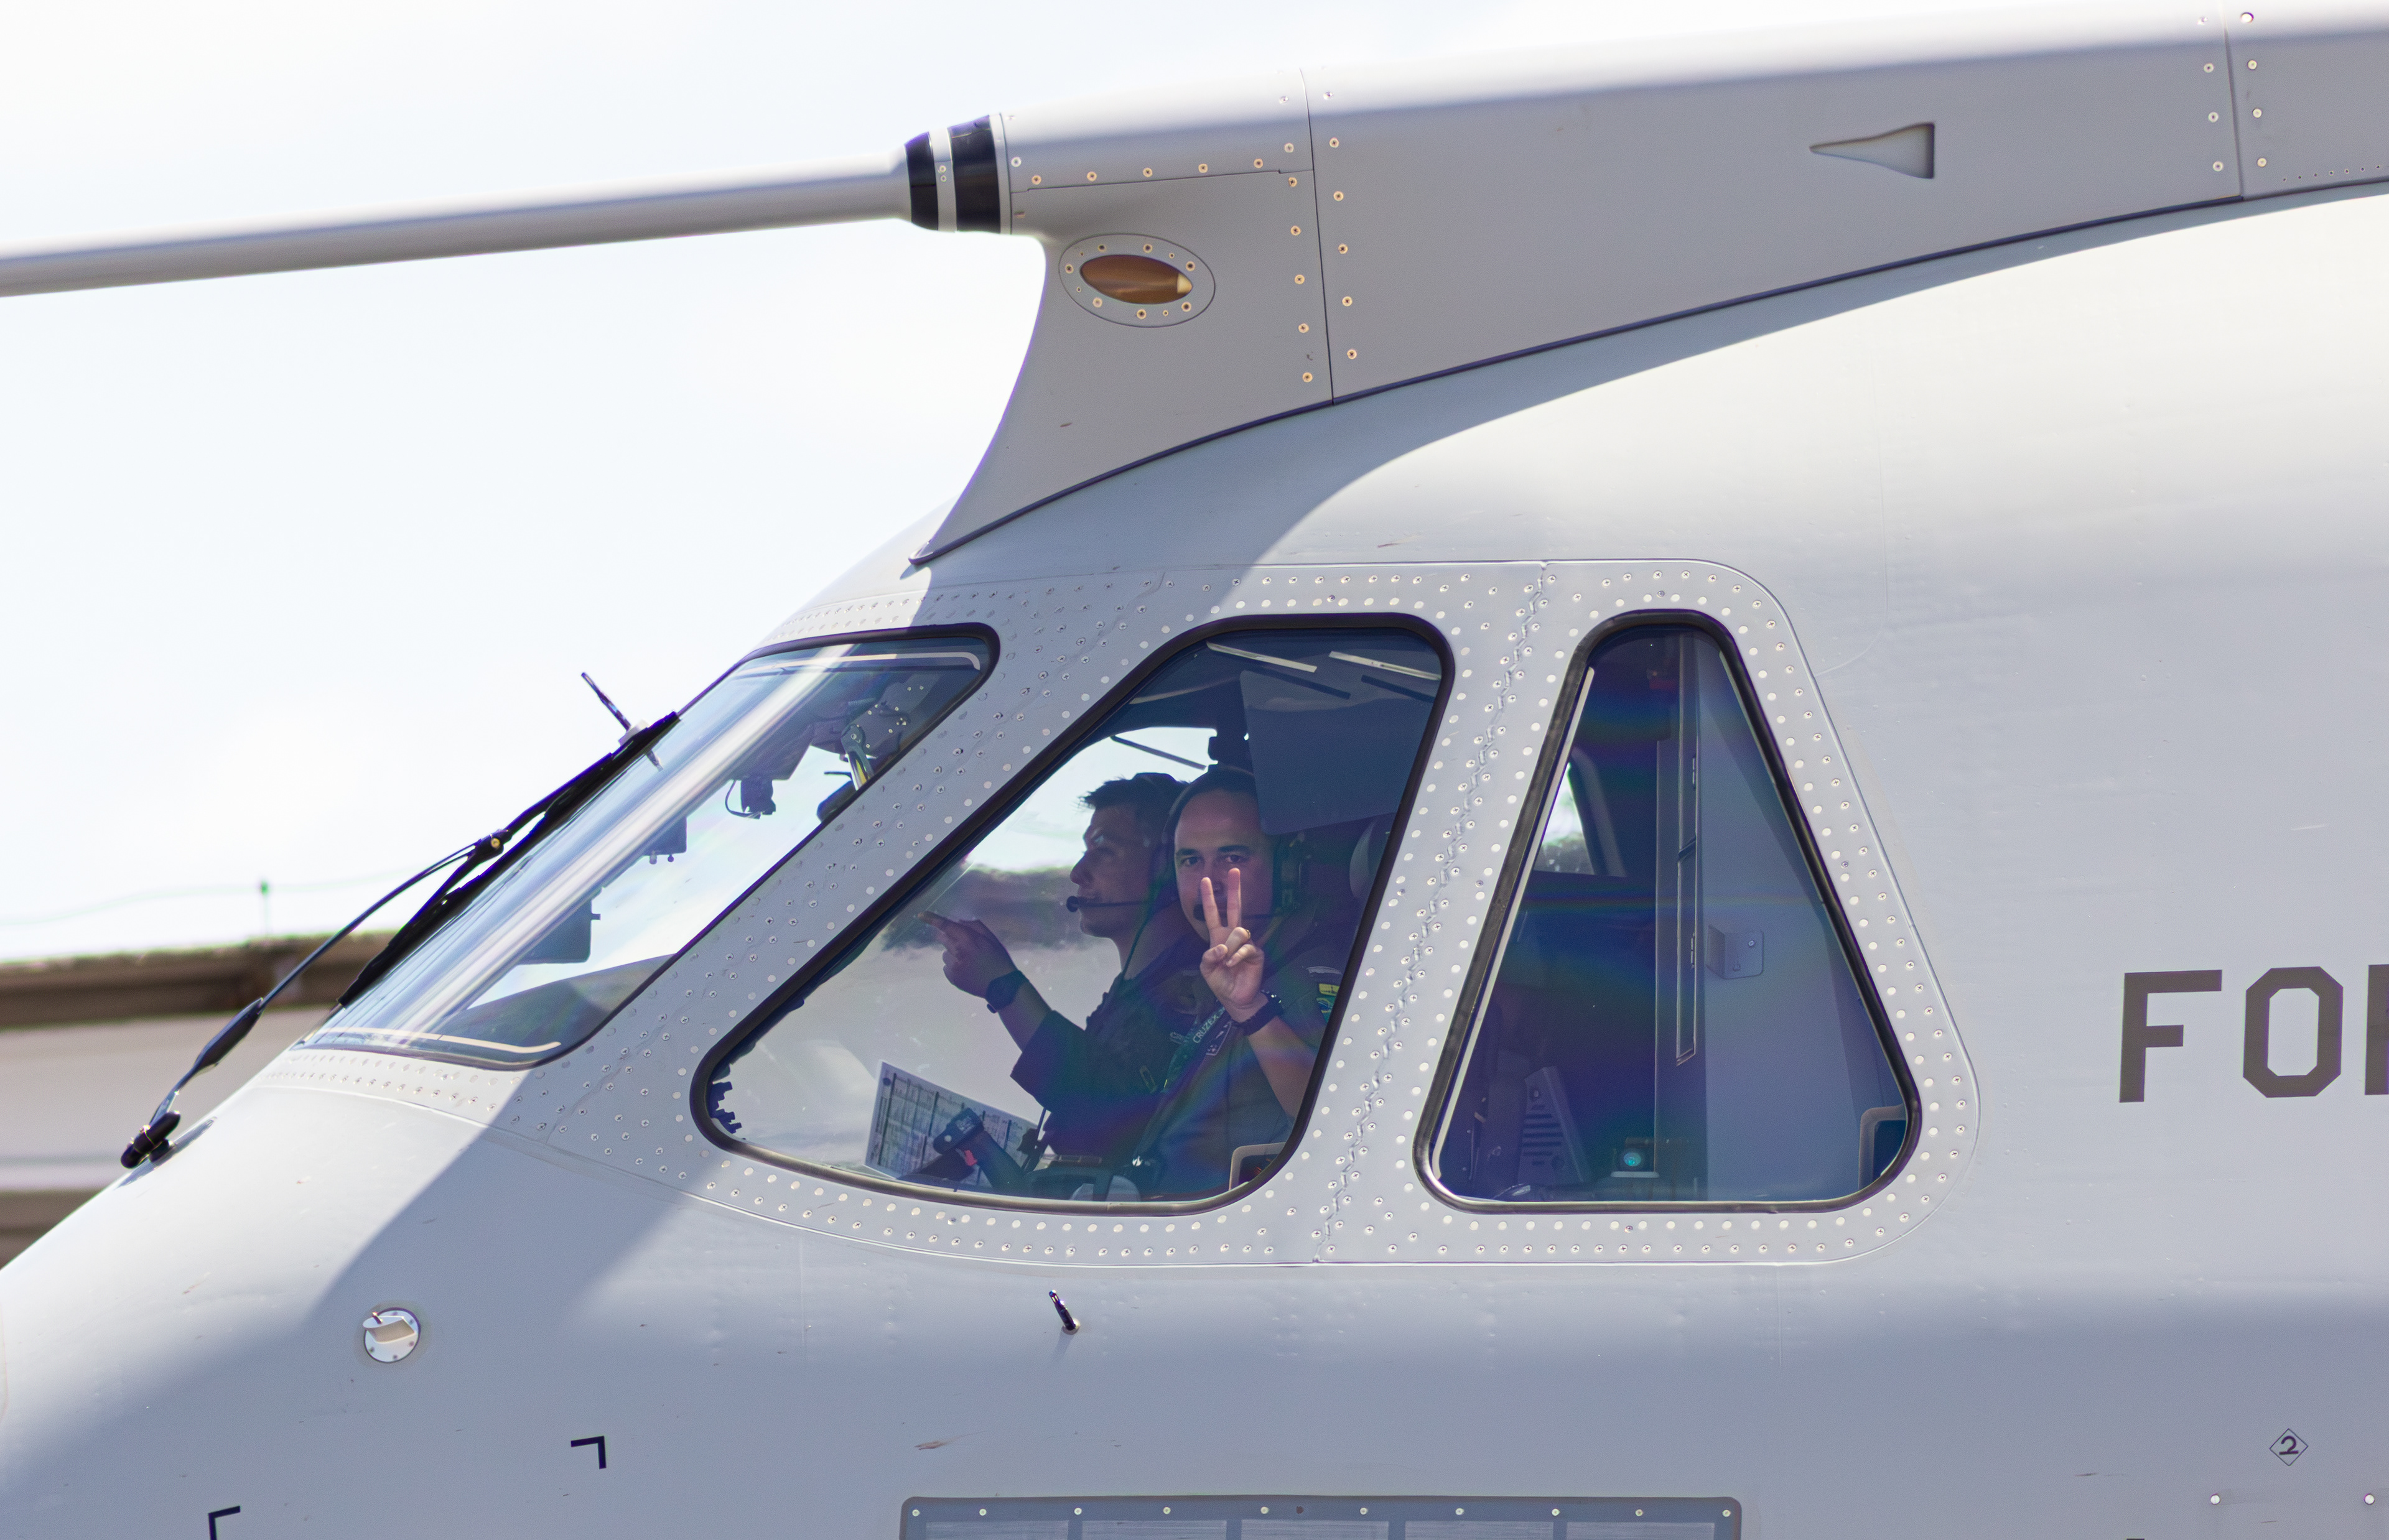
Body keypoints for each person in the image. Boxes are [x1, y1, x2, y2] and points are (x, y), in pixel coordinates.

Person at [921, 774, 1208, 1166]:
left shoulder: (1197, 993)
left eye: (1104, 852)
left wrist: (1004, 988)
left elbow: (1115, 1121)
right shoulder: (1140, 985)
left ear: (1166, 868)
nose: (1078, 872)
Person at [1118, 766, 1349, 1199]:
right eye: (1191, 861)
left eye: (1233, 857)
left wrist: (1252, 1011)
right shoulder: (1227, 974)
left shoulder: (1310, 980)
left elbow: (1335, 1123)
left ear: (1288, 870)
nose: (1210, 881)